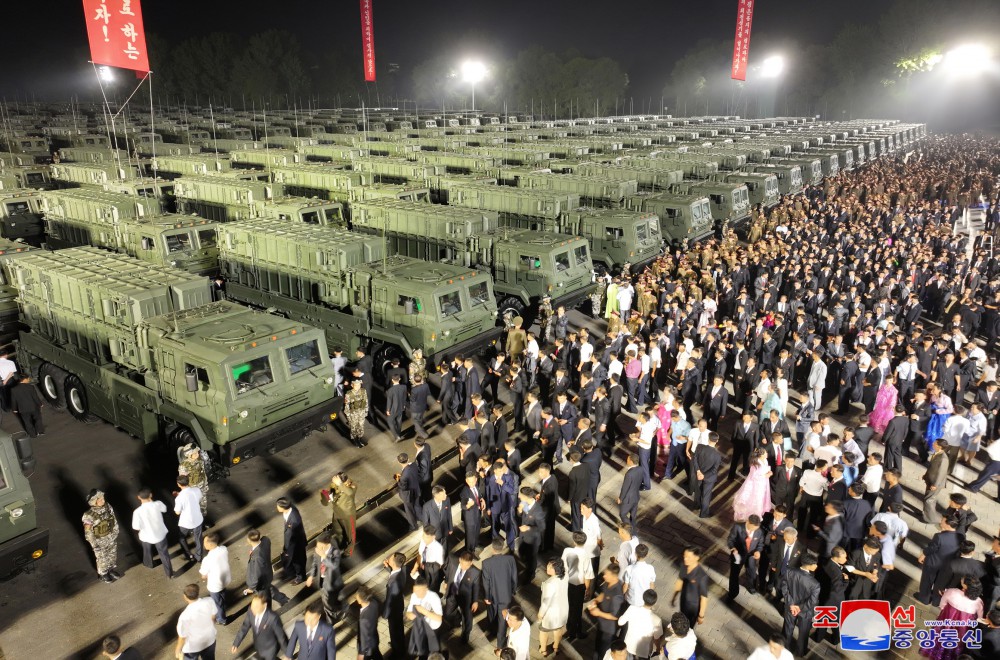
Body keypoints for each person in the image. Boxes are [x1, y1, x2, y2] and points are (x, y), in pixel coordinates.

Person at [920, 577, 985, 660]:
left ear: (965, 586)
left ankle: (935, 654)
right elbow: (979, 617)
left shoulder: (952, 592)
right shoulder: (978, 602)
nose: (961, 579)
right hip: (962, 628)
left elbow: (942, 605)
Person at [781, 551, 820, 658]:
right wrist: (799, 608)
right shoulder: (815, 584)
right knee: (803, 633)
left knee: (787, 630)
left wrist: (791, 604)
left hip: (790, 607)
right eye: (815, 564)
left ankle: (784, 650)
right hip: (805, 611)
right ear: (809, 565)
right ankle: (800, 652)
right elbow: (812, 601)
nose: (816, 566)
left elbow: (784, 588)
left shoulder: (789, 572)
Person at [917, 515, 962, 606]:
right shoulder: (961, 537)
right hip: (947, 566)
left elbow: (932, 548)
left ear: (948, 524)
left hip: (932, 563)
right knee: (940, 584)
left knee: (926, 582)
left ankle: (924, 599)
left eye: (942, 521)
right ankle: (936, 602)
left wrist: (923, 555)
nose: (940, 522)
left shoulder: (939, 536)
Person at [482, 538, 519, 648]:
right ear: (502, 547)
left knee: (492, 614)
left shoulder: (486, 563)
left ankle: (492, 632)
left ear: (492, 548)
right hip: (505, 596)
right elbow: (514, 577)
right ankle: (501, 645)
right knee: (502, 620)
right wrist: (513, 590)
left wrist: (487, 597)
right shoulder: (510, 559)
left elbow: (486, 582)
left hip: (492, 596)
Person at [131, 487, 173, 579]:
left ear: (138, 497)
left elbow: (136, 527)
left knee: (147, 550)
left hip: (146, 536)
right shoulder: (158, 504)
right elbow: (164, 509)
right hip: (160, 535)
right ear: (150, 495)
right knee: (164, 554)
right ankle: (169, 574)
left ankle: (148, 563)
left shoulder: (137, 512)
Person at [231, 591, 287, 660]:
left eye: (256, 606)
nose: (253, 609)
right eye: (252, 605)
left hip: (270, 650)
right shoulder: (251, 611)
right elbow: (244, 627)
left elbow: (281, 636)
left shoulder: (272, 617)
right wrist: (236, 643)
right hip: (258, 646)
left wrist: (287, 654)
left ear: (265, 605)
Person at [83, 489, 121, 584]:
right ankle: (103, 574)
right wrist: (94, 544)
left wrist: (115, 531)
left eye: (103, 498)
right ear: (94, 501)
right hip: (99, 541)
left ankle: (111, 570)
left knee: (112, 555)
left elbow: (113, 519)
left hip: (111, 537)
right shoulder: (88, 515)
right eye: (100, 500)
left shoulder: (108, 507)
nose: (103, 501)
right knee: (102, 558)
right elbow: (88, 532)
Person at [587, 564, 625, 660]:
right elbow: (603, 594)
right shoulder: (607, 583)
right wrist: (595, 601)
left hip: (608, 629)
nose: (604, 576)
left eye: (606, 574)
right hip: (601, 623)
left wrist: (598, 613)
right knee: (597, 646)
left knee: (603, 652)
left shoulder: (617, 595)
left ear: (614, 576)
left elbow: (615, 616)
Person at [561, 531, 594, 641]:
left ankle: (571, 628)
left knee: (569, 606)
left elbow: (563, 566)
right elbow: (588, 574)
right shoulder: (586, 555)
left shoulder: (566, 551)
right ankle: (574, 632)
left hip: (567, 583)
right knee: (577, 609)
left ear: (574, 541)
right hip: (579, 585)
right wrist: (587, 589)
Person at [443, 550, 481, 644]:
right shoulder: (452, 561)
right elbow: (447, 571)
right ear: (460, 560)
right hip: (452, 593)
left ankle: (465, 637)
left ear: (471, 563)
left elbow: (476, 587)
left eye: (467, 565)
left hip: (466, 599)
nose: (464, 567)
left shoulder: (475, 572)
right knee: (448, 613)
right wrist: (446, 581)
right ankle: (456, 621)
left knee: (467, 618)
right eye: (463, 564)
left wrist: (475, 601)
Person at [245, 529, 289, 608]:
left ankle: (267, 611)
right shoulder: (266, 540)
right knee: (269, 588)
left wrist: (252, 588)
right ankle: (282, 599)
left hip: (261, 581)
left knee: (264, 597)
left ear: (249, 540)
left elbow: (257, 574)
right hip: (267, 573)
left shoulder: (257, 557)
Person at [815, 546, 849, 644]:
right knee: (835, 620)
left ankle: (818, 637)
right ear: (836, 558)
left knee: (822, 618)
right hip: (834, 599)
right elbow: (839, 589)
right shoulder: (837, 573)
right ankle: (835, 639)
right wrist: (846, 581)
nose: (846, 559)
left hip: (823, 595)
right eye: (844, 557)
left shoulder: (825, 562)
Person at [175, 583, 218, 660]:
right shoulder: (209, 600)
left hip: (192, 648)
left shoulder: (184, 616)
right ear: (198, 593)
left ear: (185, 597)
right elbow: (213, 617)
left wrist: (178, 649)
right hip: (210, 640)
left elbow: (182, 637)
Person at [618, 588, 663, 660]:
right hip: (644, 653)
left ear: (643, 598)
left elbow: (620, 622)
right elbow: (656, 639)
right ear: (654, 603)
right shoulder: (657, 620)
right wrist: (658, 649)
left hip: (628, 647)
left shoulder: (632, 608)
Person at [538, 558, 570, 657]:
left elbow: (546, 602)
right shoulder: (565, 576)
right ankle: (556, 647)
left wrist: (541, 614)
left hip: (551, 614)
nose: (547, 567)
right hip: (563, 610)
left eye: (550, 567)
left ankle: (543, 650)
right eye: (548, 565)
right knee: (558, 629)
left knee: (544, 631)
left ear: (556, 570)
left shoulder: (550, 583)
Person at [406, 576, 444, 657]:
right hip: (421, 627)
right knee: (422, 649)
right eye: (415, 590)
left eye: (419, 591)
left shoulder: (434, 597)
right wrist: (410, 615)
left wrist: (423, 611)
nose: (417, 593)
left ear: (426, 589)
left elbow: (439, 618)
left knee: (433, 650)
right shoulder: (414, 596)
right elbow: (408, 611)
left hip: (433, 628)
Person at [728, 515, 764, 599]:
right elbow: (730, 539)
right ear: (748, 522)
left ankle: (751, 587)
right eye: (752, 528)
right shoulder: (737, 527)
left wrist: (758, 551)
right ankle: (733, 593)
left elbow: (760, 544)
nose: (753, 530)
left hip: (751, 555)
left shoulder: (759, 531)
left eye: (755, 529)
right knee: (734, 574)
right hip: (738, 554)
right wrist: (733, 548)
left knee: (752, 572)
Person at [672, 545, 708, 628]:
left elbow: (704, 597)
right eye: (684, 556)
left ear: (697, 557)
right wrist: (674, 597)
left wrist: (701, 616)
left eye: (688, 557)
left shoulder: (701, 575)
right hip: (683, 601)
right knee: (681, 623)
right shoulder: (683, 566)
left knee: (688, 627)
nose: (685, 559)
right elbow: (680, 581)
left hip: (693, 608)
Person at [200, 531, 231, 625]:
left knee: (217, 603)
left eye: (205, 542)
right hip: (225, 579)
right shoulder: (223, 549)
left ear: (210, 544)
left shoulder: (207, 559)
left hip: (214, 584)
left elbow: (203, 575)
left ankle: (222, 619)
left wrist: (205, 576)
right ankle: (223, 610)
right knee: (222, 597)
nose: (203, 544)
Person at [733, 448, 773, 522]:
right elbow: (754, 476)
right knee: (756, 499)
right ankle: (753, 514)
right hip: (756, 485)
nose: (767, 454)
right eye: (765, 453)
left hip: (763, 483)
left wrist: (769, 472)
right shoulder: (755, 464)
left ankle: (758, 514)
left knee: (762, 498)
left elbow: (766, 469)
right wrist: (766, 475)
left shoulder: (765, 460)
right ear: (761, 455)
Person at [517, 486, 545, 584]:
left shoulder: (538, 510)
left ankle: (530, 575)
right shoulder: (524, 503)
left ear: (526, 497)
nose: (519, 497)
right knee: (522, 554)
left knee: (531, 559)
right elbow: (521, 515)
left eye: (521, 495)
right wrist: (520, 511)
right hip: (523, 536)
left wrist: (528, 528)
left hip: (532, 540)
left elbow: (542, 527)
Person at [382, 552, 407, 658]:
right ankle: (401, 646)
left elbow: (389, 600)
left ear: (393, 563)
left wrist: (385, 613)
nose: (388, 558)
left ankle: (397, 653)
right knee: (399, 628)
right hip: (399, 605)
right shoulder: (403, 569)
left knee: (394, 631)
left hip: (393, 609)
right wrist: (388, 568)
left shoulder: (393, 583)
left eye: (390, 558)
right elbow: (395, 572)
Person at [174, 474, 204, 563]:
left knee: (181, 538)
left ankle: (189, 555)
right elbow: (198, 498)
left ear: (178, 484)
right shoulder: (197, 490)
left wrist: (178, 496)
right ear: (188, 481)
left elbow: (177, 512)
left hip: (186, 522)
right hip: (198, 518)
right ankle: (199, 557)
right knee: (198, 538)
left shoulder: (179, 498)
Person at [692, 431, 722, 518]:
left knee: (698, 491)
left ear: (708, 439)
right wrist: (704, 475)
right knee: (706, 495)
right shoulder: (717, 455)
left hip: (698, 475)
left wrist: (698, 471)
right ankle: (703, 513)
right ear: (717, 441)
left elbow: (695, 459)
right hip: (709, 478)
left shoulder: (699, 447)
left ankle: (696, 505)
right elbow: (714, 470)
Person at [276, 497, 307, 583]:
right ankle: (292, 573)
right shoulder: (288, 510)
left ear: (283, 507)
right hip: (290, 541)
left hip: (296, 544)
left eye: (278, 506)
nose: (277, 507)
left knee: (297, 561)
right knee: (290, 560)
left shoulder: (294, 519)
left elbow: (293, 537)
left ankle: (301, 577)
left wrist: (288, 549)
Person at [178, 444, 209, 517]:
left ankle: (203, 516)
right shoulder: (184, 466)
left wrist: (206, 484)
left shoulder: (199, 461)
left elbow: (203, 473)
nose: (197, 454)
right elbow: (182, 480)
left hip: (201, 485)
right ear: (188, 455)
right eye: (194, 453)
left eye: (197, 452)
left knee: (203, 502)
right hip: (192, 488)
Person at [923, 439, 950, 524]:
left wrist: (935, 485)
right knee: (929, 499)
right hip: (930, 480)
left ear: (939, 446)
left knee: (928, 500)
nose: (933, 444)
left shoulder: (943, 459)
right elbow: (932, 467)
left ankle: (931, 519)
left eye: (935, 443)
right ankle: (926, 515)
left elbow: (941, 473)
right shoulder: (937, 454)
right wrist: (926, 475)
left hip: (935, 483)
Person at [354, 586, 383, 660]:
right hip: (374, 638)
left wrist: (361, 653)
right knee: (377, 655)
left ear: (361, 600)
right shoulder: (374, 603)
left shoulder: (364, 619)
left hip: (368, 648)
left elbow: (364, 638)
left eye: (357, 597)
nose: (356, 598)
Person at [618, 452, 643, 525]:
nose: (627, 461)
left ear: (631, 461)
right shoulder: (641, 469)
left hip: (629, 499)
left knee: (622, 514)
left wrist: (620, 498)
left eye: (628, 460)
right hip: (636, 496)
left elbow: (625, 487)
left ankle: (629, 527)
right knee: (633, 515)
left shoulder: (629, 474)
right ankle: (633, 526)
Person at [344, 378, 369, 447]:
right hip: (353, 413)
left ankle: (360, 438)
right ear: (352, 385)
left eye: (359, 385)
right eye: (356, 385)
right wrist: (348, 416)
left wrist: (366, 411)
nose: (358, 386)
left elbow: (366, 401)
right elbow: (347, 405)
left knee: (361, 426)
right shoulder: (349, 394)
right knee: (353, 427)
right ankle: (355, 440)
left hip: (361, 412)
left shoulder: (363, 391)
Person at [409, 374, 432, 440]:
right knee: (420, 418)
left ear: (414, 381)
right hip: (423, 406)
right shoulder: (426, 385)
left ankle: (424, 434)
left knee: (415, 421)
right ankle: (417, 428)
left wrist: (409, 395)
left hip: (416, 408)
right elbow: (428, 393)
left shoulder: (414, 390)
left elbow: (412, 399)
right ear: (421, 380)